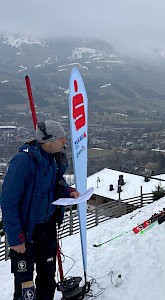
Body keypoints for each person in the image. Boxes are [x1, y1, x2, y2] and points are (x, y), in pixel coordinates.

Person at [0, 120, 80, 300]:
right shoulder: (23, 162)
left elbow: (55, 183)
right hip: (25, 233)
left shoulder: (54, 159)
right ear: (49, 141)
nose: (65, 141)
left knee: (47, 278)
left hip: (47, 228)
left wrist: (69, 191)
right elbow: (8, 201)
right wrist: (15, 238)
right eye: (61, 138)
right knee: (25, 284)